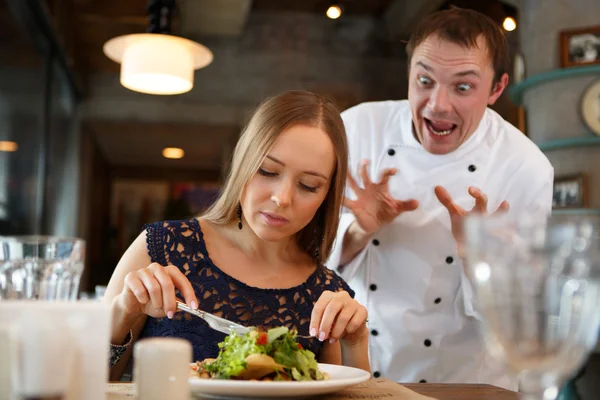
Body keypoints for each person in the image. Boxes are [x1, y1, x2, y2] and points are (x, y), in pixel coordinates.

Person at [327, 8, 554, 390]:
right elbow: (307, 266)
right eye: (424, 80)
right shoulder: (356, 129)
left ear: (497, 89)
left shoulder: (525, 167)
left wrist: (475, 255)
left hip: (469, 384)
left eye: (462, 87)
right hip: (363, 373)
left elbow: (520, 320)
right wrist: (359, 230)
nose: (437, 105)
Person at [103, 90, 370, 380]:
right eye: (267, 171)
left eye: (308, 185)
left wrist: (355, 342)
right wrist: (123, 312)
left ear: (327, 196)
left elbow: (342, 389)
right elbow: (84, 384)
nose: (282, 198)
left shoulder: (326, 292)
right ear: (244, 162)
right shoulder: (164, 245)